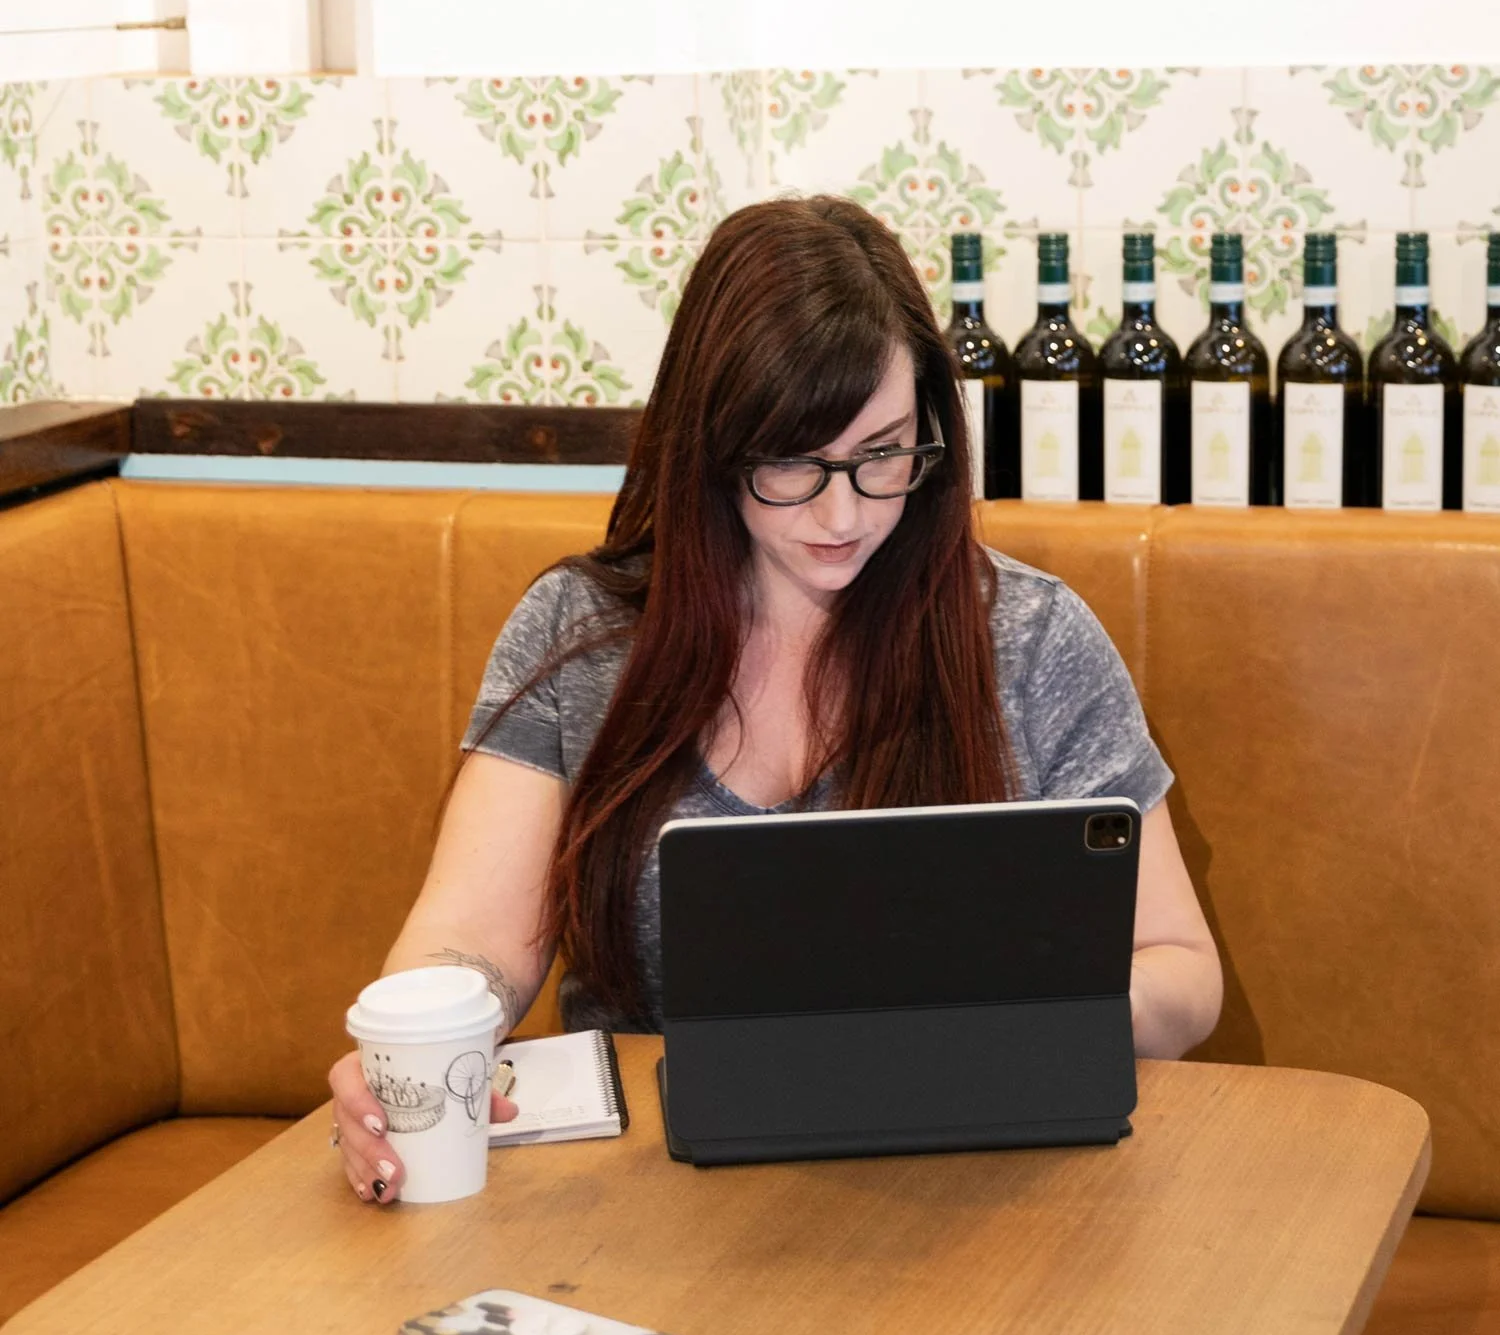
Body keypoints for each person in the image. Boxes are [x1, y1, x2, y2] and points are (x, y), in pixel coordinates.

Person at [329, 196, 1222, 1203]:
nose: (844, 513)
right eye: (794, 462)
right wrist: (420, 1032)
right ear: (711, 443)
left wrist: (1030, 1020)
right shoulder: (581, 631)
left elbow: (1182, 968)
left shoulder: (1030, 637)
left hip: (967, 1185)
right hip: (662, 1196)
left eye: (884, 452)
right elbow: (477, 939)